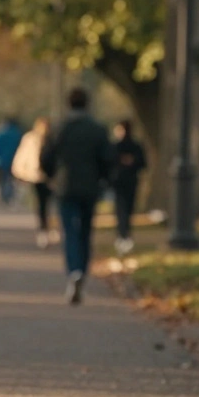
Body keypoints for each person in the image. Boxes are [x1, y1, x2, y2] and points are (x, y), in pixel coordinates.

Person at [40, 87, 114, 305]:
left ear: (69, 103)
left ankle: (74, 271)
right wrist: (103, 179)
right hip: (90, 186)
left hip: (66, 186)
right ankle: (82, 269)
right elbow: (108, 159)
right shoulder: (98, 129)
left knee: (70, 230)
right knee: (85, 231)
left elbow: (46, 157)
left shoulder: (60, 128)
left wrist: (51, 175)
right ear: (87, 104)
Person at [11, 117, 56, 249]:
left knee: (51, 205)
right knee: (42, 205)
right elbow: (22, 156)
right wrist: (20, 172)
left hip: (51, 178)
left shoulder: (53, 140)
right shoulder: (30, 139)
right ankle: (43, 230)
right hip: (36, 177)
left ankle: (49, 228)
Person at [112, 120, 147, 255]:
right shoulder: (133, 146)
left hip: (124, 181)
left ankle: (123, 234)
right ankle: (124, 234)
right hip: (125, 182)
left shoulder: (117, 147)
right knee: (124, 209)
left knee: (123, 209)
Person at [0, 117, 23, 205]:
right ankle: (8, 195)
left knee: (2, 179)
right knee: (10, 179)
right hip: (15, 162)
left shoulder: (1, 133)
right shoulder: (18, 134)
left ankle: (4, 196)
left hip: (1, 162)